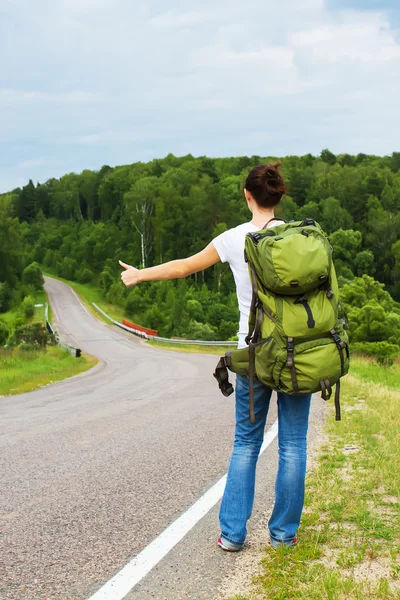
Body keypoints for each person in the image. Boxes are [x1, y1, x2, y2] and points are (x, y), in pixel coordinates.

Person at [119, 162, 311, 552]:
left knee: (246, 443)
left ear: (247, 196)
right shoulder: (301, 238)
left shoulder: (234, 239)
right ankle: (283, 535)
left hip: (253, 353)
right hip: (297, 352)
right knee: (293, 445)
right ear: (278, 197)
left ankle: (234, 534)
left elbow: (183, 267)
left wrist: (140, 274)